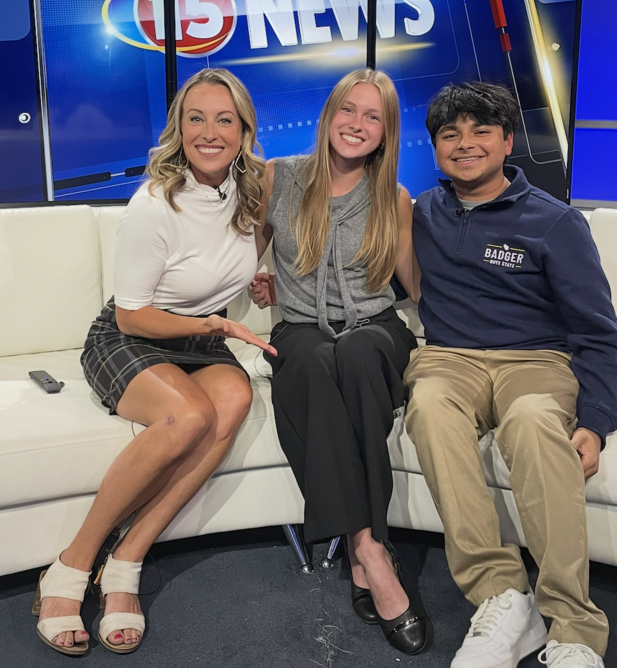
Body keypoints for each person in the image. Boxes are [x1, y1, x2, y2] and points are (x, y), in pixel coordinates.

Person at [33, 68, 276, 656]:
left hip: (199, 335)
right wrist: (214, 323)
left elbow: (252, 241)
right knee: (187, 416)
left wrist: (262, 272)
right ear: (179, 128)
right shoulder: (155, 202)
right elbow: (132, 316)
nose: (210, 132)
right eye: (196, 118)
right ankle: (69, 566)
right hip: (133, 333)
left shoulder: (259, 185)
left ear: (244, 129)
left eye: (225, 119)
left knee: (236, 399)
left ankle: (127, 560)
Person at [404, 81, 617, 668]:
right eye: (451, 134)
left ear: (507, 140)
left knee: (528, 422)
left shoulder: (554, 222)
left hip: (537, 361)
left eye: (480, 131)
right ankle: (502, 598)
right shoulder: (421, 212)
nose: (465, 143)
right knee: (428, 406)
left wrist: (596, 423)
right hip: (451, 357)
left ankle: (573, 627)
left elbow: (598, 332)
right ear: (436, 147)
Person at [250, 69, 426, 656]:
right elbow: (245, 257)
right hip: (301, 327)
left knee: (354, 351)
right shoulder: (278, 177)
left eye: (372, 116)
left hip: (375, 329)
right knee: (307, 364)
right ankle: (369, 548)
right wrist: (257, 278)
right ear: (327, 115)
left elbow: (417, 291)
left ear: (386, 131)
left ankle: (364, 549)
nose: (357, 124)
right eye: (348, 110)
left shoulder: (393, 197)